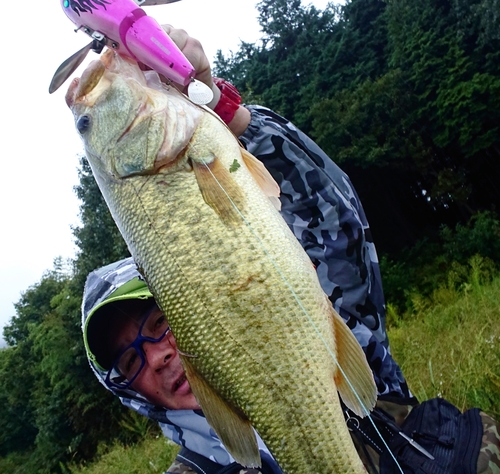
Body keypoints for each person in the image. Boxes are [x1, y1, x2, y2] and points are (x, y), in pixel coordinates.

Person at [81, 27, 499, 473]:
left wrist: (225, 111)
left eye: (162, 323)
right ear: (130, 392)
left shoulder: (310, 325)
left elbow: (336, 225)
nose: (158, 355)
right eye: (130, 360)